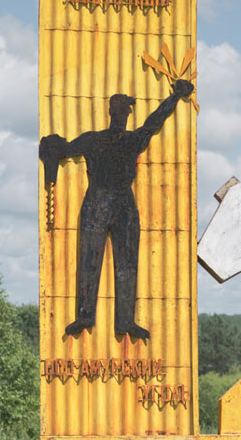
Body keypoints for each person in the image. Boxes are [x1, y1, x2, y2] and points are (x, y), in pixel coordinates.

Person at [39, 78, 194, 340]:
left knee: (126, 262)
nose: (124, 114)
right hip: (100, 203)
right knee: (92, 259)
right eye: (122, 110)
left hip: (119, 205)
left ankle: (123, 321)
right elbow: (64, 150)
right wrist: (52, 146)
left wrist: (176, 97)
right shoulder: (100, 140)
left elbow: (154, 122)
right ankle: (87, 316)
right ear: (115, 112)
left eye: (126, 111)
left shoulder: (121, 140)